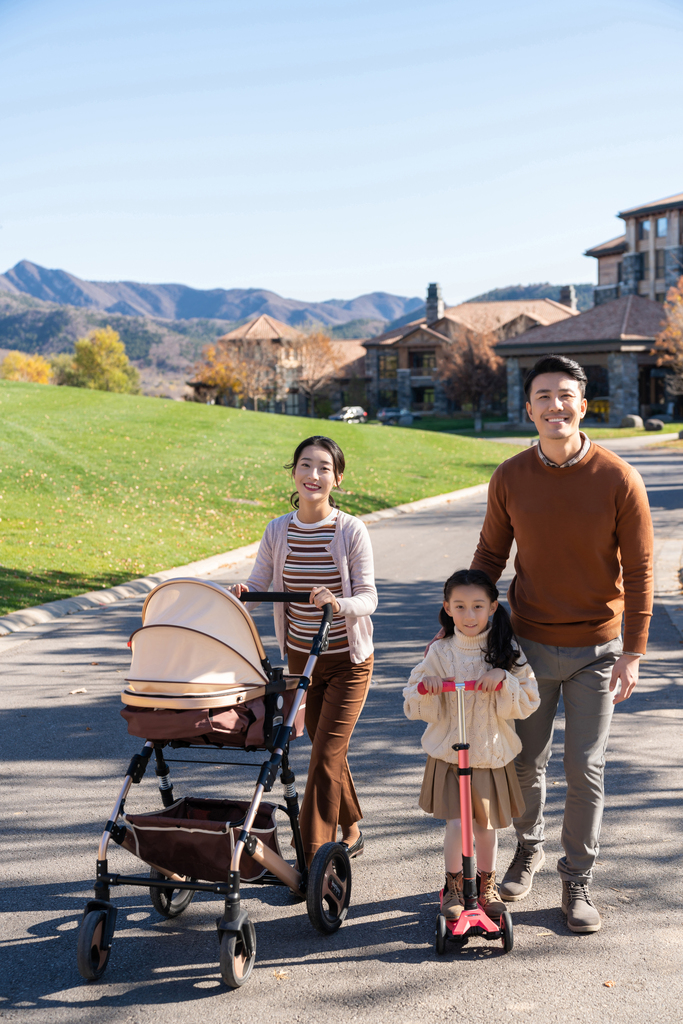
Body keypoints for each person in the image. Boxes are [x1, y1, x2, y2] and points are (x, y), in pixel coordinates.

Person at [470, 354, 654, 933]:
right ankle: (529, 846)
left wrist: (634, 651)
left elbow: (642, 570)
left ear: (583, 403)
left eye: (565, 395)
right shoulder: (510, 476)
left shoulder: (618, 477)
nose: (555, 405)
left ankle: (578, 880)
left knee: (585, 768)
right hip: (525, 645)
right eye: (543, 396)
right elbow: (490, 559)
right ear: (529, 408)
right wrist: (462, 624)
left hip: (597, 650)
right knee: (525, 762)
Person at [230, 435, 377, 865]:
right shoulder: (278, 529)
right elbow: (260, 584)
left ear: (338, 479)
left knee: (326, 751)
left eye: (324, 468)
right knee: (324, 746)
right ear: (293, 471)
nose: (314, 475)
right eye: (306, 465)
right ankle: (351, 828)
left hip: (348, 660)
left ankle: (313, 856)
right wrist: (244, 592)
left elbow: (368, 597)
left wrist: (338, 602)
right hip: (302, 658)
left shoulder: (350, 529)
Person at [403, 569, 539, 920]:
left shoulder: (507, 650)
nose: (469, 615)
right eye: (460, 607)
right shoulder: (440, 651)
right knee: (457, 825)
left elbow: (528, 698)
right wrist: (429, 685)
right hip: (451, 755)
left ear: (493, 607)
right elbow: (412, 698)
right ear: (447, 608)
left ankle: (486, 883)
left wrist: (504, 678)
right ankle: (452, 885)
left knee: (485, 827)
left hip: (490, 755)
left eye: (478, 606)